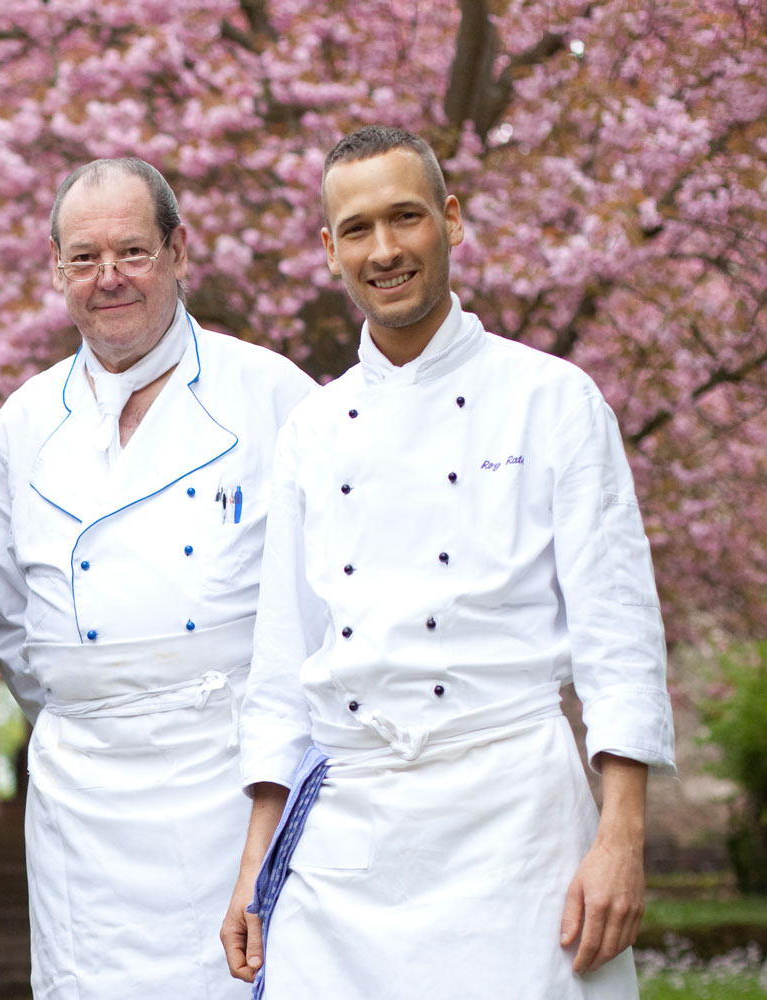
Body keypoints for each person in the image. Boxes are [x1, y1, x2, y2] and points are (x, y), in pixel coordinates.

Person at [222, 125, 676, 999]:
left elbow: (617, 634)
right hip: (348, 832)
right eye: (356, 229)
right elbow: (281, 665)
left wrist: (620, 837)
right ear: (328, 250)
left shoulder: (553, 400)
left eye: (406, 217)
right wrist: (256, 862)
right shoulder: (313, 430)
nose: (384, 250)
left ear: (452, 220)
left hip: (515, 819)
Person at [0, 157, 316, 999]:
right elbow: (11, 623)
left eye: (131, 252)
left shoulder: (274, 395)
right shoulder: (19, 426)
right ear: (56, 269)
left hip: (230, 780)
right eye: (84, 258)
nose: (109, 279)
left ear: (178, 251)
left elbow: (321, 604)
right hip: (80, 796)